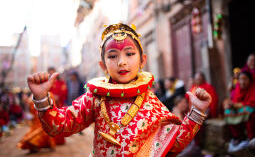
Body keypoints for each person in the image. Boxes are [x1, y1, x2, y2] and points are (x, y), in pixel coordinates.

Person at [27, 23, 211, 156]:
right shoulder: (95, 98)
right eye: (113, 56)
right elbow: (58, 127)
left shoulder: (150, 102)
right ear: (103, 65)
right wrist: (42, 97)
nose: (121, 61)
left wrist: (197, 111)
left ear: (142, 60)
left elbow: (175, 143)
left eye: (130, 54)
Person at [224, 71, 255, 152]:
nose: (242, 82)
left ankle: (251, 137)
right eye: (241, 79)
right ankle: (238, 136)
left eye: (245, 79)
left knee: (248, 110)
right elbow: (234, 101)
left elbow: (252, 103)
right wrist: (231, 105)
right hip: (240, 110)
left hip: (251, 110)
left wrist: (239, 105)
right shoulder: (238, 88)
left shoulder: (253, 88)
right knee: (228, 112)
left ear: (250, 80)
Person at [48, 67, 67, 144]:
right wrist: (51, 97)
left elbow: (64, 92)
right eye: (50, 72)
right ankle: (52, 140)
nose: (52, 74)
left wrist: (58, 97)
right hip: (51, 105)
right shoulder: (48, 83)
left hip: (59, 104)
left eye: (53, 72)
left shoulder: (61, 82)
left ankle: (60, 140)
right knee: (51, 122)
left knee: (60, 121)